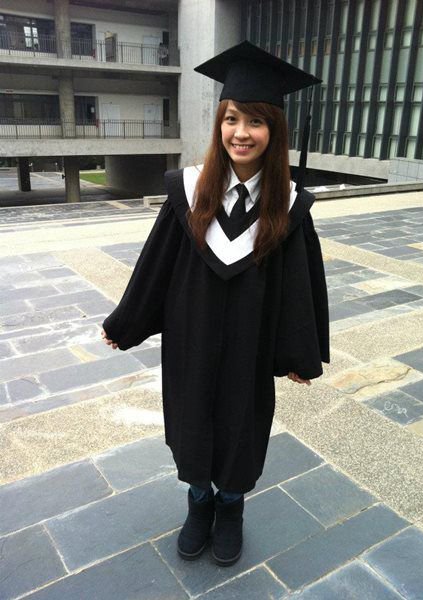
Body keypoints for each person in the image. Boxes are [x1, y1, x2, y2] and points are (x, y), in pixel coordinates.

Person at [101, 41, 329, 567]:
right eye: (231, 119)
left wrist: (300, 353)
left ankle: (231, 508)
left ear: (274, 131)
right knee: (192, 425)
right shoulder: (188, 192)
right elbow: (156, 265)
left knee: (241, 429)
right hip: (192, 343)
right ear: (219, 125)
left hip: (251, 350)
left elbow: (299, 285)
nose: (241, 133)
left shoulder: (288, 206)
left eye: (255, 121)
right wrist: (127, 322)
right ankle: (199, 502)